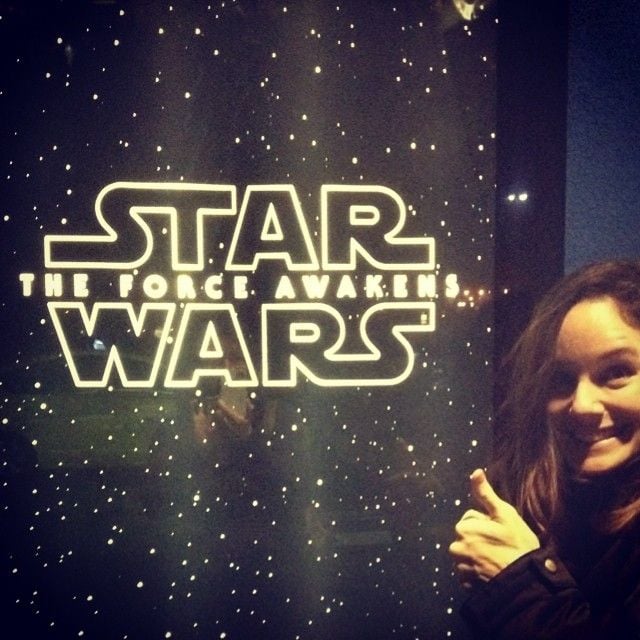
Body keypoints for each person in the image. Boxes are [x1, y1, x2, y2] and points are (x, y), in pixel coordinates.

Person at [449, 260, 640, 639]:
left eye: (617, 372)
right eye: (562, 378)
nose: (582, 406)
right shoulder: (526, 494)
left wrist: (520, 584)